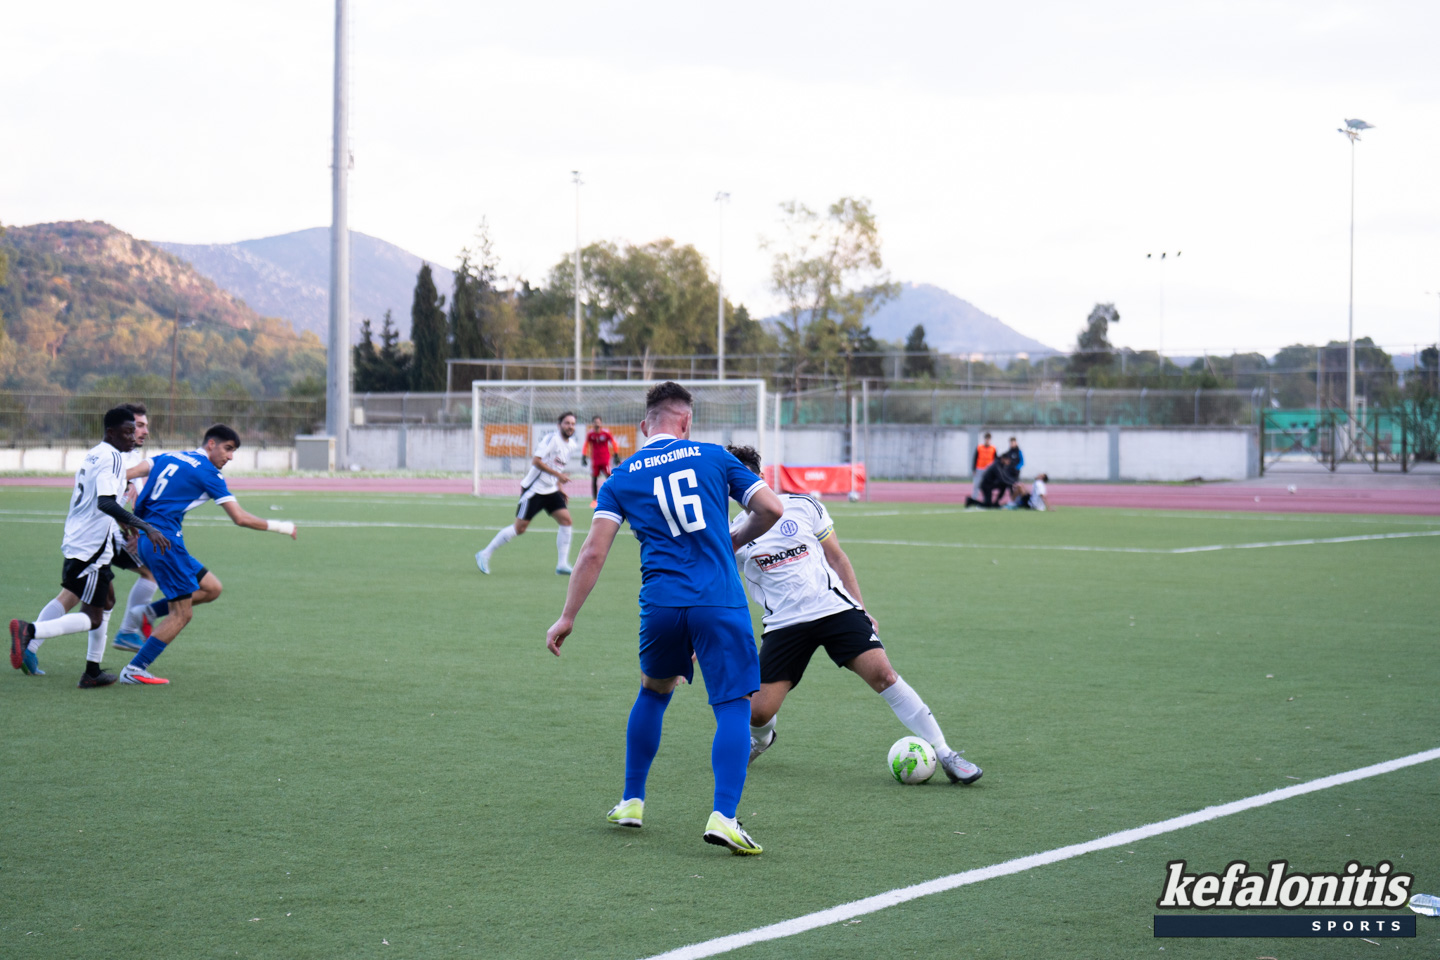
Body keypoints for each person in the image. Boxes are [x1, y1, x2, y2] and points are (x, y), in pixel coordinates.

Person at [544, 382, 785, 855]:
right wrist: (732, 539)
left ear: (643, 425)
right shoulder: (714, 456)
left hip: (660, 606)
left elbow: (592, 552)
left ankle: (631, 801)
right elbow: (771, 508)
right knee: (733, 705)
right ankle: (724, 817)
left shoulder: (621, 477)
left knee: (653, 693)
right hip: (717, 600)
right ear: (686, 421)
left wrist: (567, 616)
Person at [726, 445, 982, 785]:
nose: (743, 490)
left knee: (884, 675)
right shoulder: (732, 535)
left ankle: (945, 752)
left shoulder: (802, 506)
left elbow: (837, 558)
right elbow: (722, 586)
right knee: (758, 712)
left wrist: (861, 609)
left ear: (761, 479)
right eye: (735, 485)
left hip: (833, 609)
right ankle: (761, 740)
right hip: (783, 624)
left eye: (746, 481)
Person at [118, 424, 298, 685]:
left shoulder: (170, 456)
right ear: (211, 444)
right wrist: (282, 526)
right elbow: (240, 518)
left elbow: (128, 474)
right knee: (182, 614)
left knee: (211, 588)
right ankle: (135, 669)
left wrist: (129, 515)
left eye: (234, 451)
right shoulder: (209, 472)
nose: (230, 457)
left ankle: (146, 612)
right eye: (228, 449)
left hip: (150, 539)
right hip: (165, 543)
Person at [9, 406, 172, 687]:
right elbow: (105, 502)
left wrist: (124, 523)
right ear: (111, 432)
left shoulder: (97, 452)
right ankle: (30, 632)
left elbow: (104, 500)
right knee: (93, 616)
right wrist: (146, 526)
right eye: (128, 431)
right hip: (92, 546)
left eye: (135, 430)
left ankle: (92, 671)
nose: (133, 437)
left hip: (85, 538)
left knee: (103, 600)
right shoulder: (113, 458)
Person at [476, 412, 579, 576]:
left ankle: (562, 564)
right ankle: (484, 553)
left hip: (550, 490)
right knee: (519, 528)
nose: (570, 426)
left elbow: (558, 467)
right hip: (534, 490)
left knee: (566, 521)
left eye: (573, 424)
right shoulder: (551, 439)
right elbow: (536, 461)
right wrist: (558, 476)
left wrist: (559, 487)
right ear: (559, 425)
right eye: (567, 423)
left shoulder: (572, 445)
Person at [111, 402, 160, 652]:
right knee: (152, 572)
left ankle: (31, 639)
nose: (145, 431)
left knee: (83, 598)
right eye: (139, 425)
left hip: (103, 531)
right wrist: (139, 532)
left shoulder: (128, 457)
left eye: (145, 426)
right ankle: (128, 631)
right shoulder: (119, 457)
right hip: (100, 534)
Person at [582, 415, 618, 508]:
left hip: (605, 460)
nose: (597, 424)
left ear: (601, 423)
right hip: (595, 461)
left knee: (609, 478)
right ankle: (594, 500)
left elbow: (613, 442)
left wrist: (616, 453)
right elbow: (586, 445)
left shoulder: (606, 433)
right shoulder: (590, 434)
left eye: (598, 422)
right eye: (595, 422)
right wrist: (584, 456)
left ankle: (613, 497)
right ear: (593, 423)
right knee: (594, 479)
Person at [970, 432, 996, 502]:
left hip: (989, 470)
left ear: (990, 440)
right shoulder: (979, 447)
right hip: (979, 468)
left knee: (986, 485)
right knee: (977, 484)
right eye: (986, 439)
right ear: (984, 439)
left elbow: (995, 460)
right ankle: (974, 498)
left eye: (988, 439)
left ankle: (986, 499)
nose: (987, 441)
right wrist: (974, 469)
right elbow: (975, 458)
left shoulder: (993, 448)